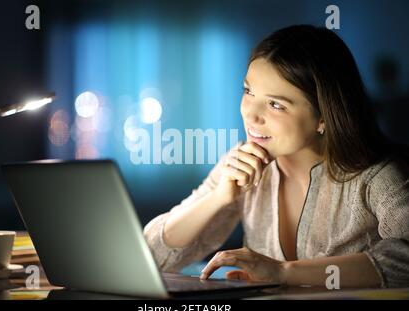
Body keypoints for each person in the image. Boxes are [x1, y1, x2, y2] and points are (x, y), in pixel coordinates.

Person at [143, 25, 409, 288]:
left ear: (323, 117)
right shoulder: (241, 162)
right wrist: (217, 198)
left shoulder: (378, 177)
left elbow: (404, 261)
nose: (252, 114)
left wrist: (282, 272)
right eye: (248, 91)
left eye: (276, 104)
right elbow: (152, 257)